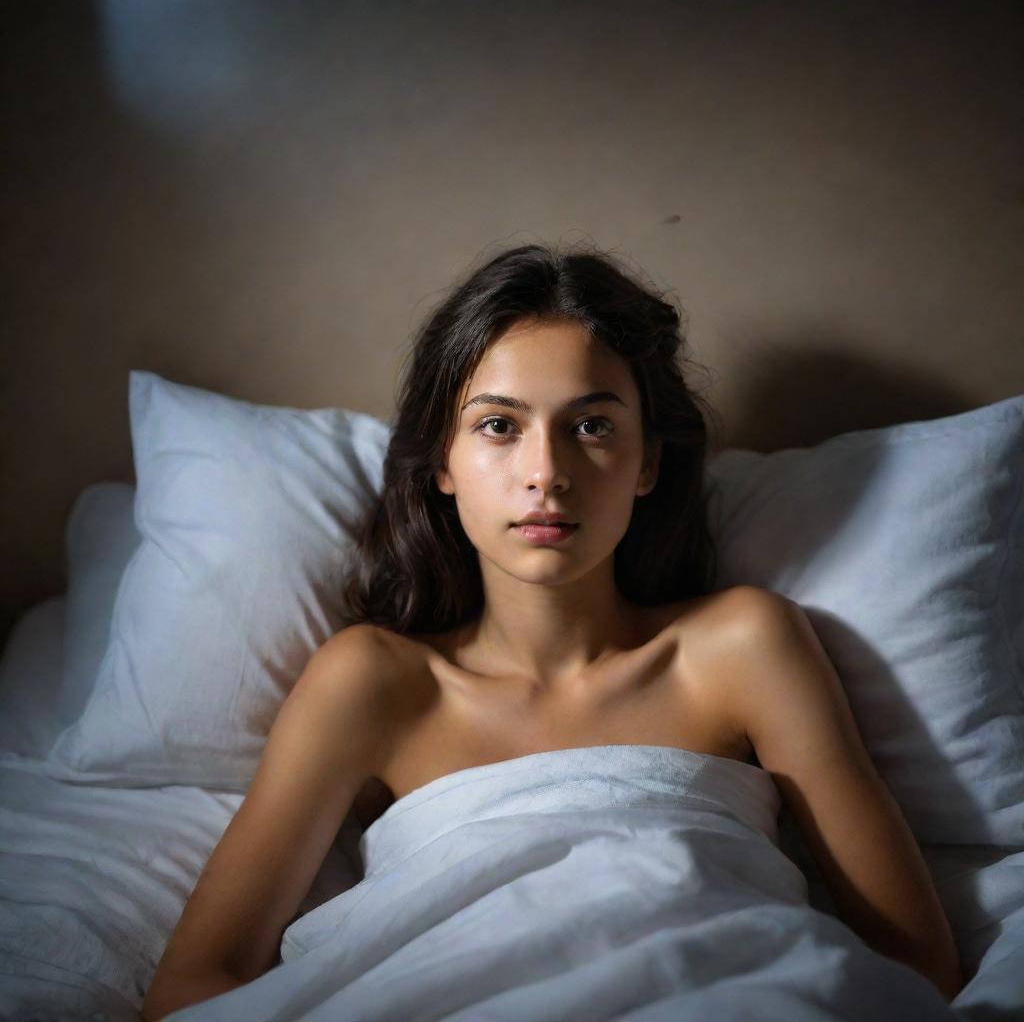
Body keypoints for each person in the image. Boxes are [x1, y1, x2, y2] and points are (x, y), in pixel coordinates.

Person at [142, 241, 962, 1021]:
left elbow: (914, 963)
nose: (547, 474)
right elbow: (192, 986)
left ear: (646, 463)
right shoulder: (375, 681)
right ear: (442, 463)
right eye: (499, 425)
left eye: (593, 426)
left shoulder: (740, 647)